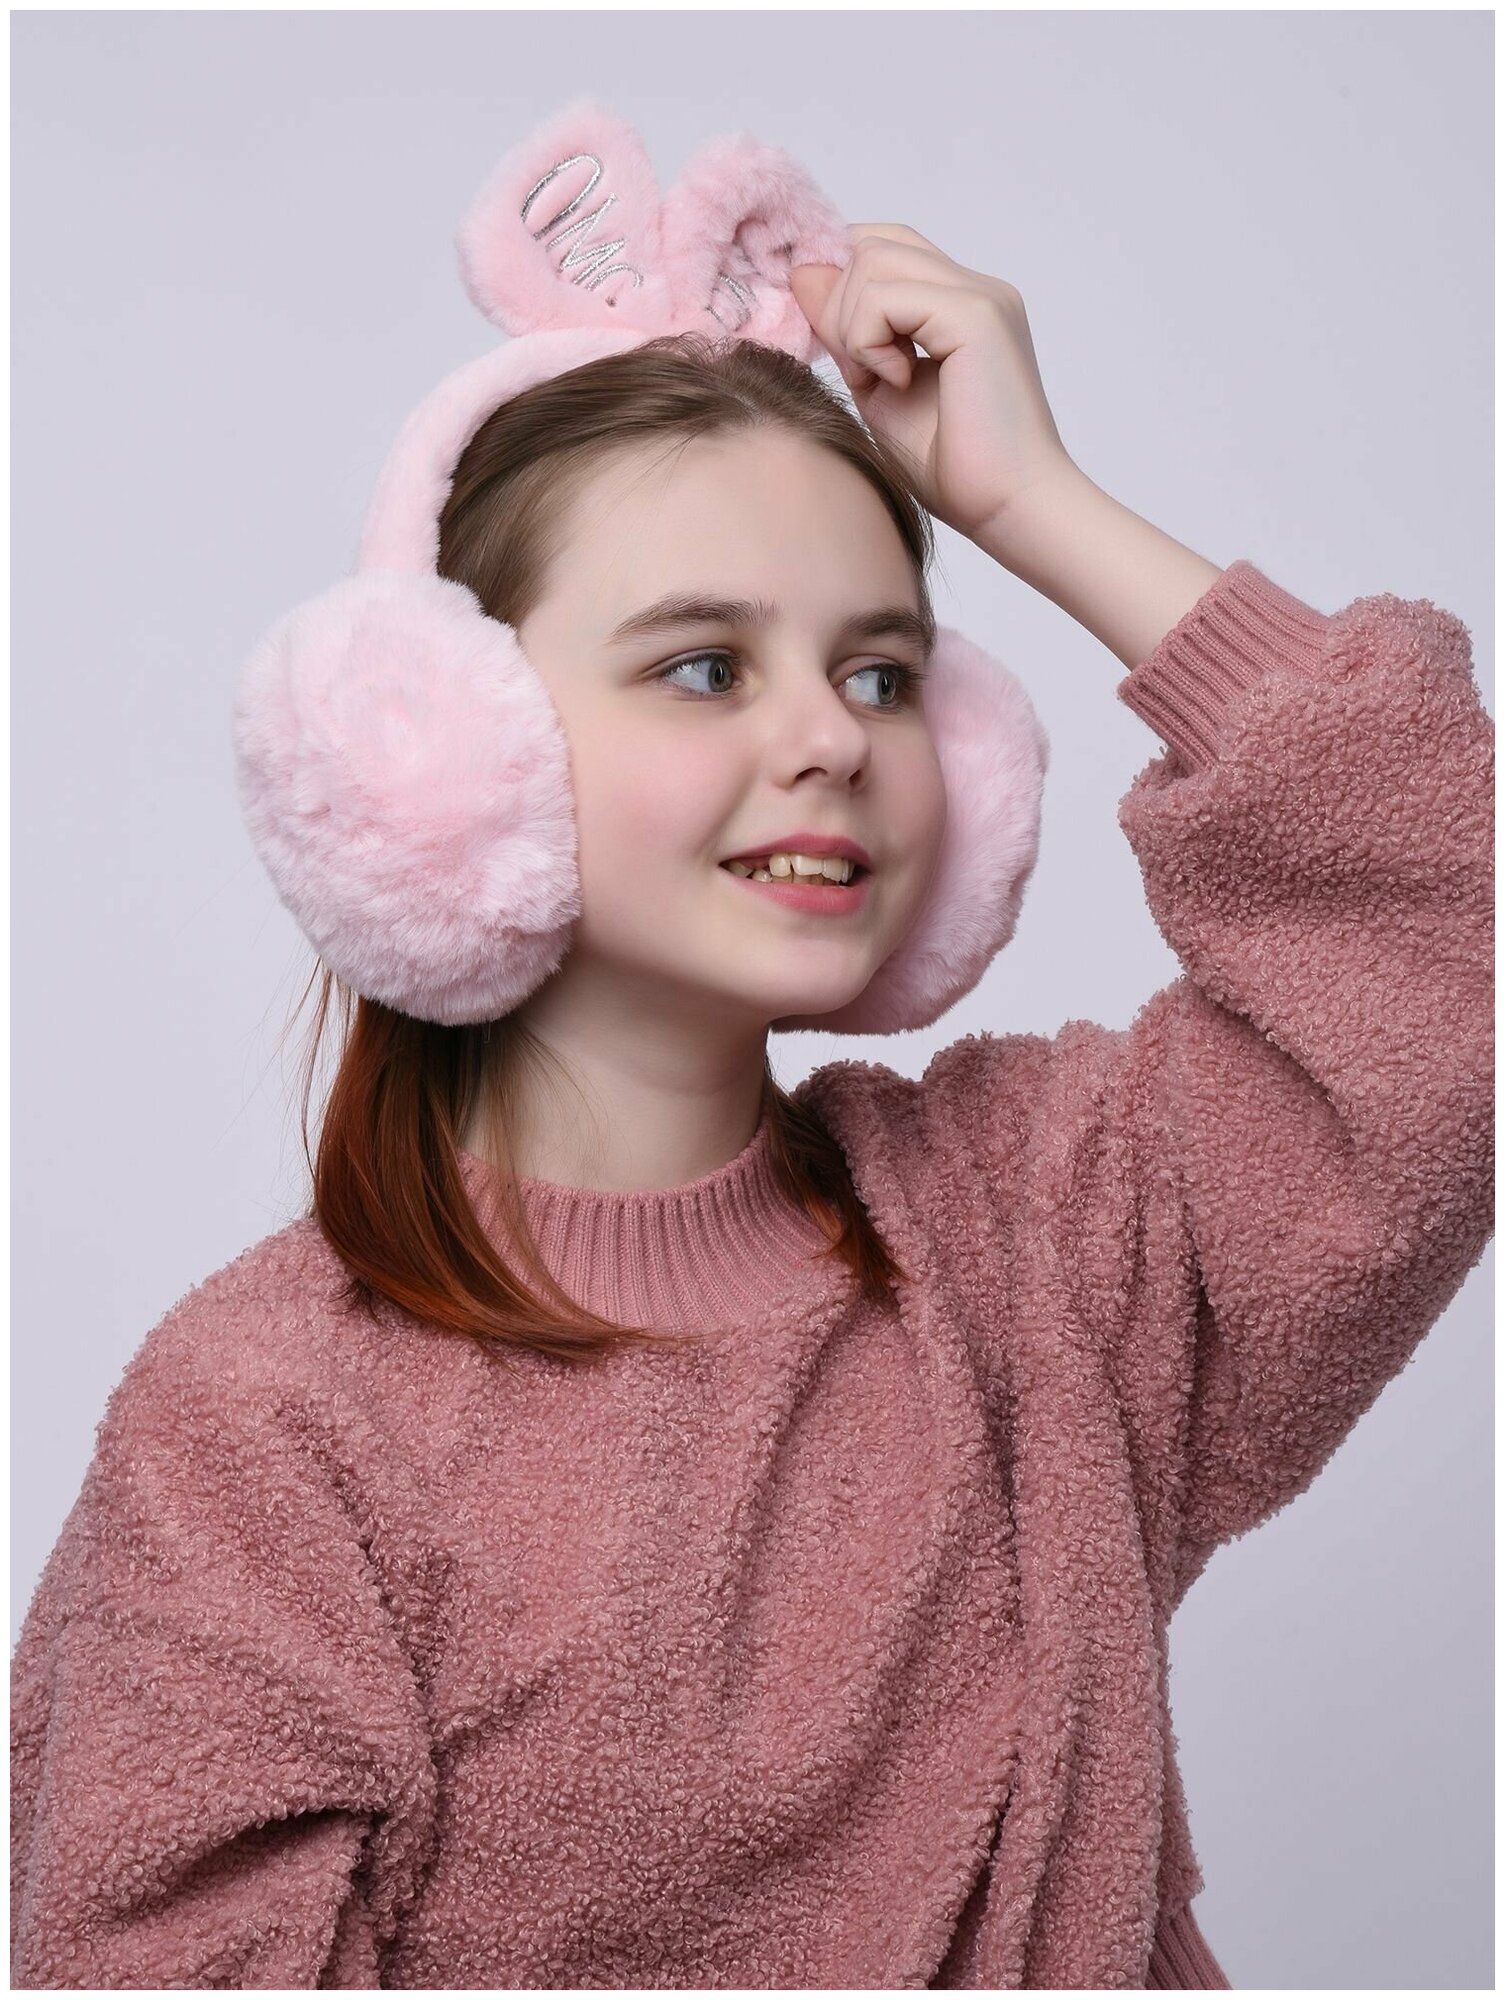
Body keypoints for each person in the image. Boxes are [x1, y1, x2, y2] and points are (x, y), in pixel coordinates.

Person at [11, 105, 1493, 1991]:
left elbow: (1435, 963)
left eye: (880, 672)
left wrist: (1030, 500)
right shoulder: (264, 1431)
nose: (830, 737)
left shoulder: (1040, 1244)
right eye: (703, 665)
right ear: (444, 753)